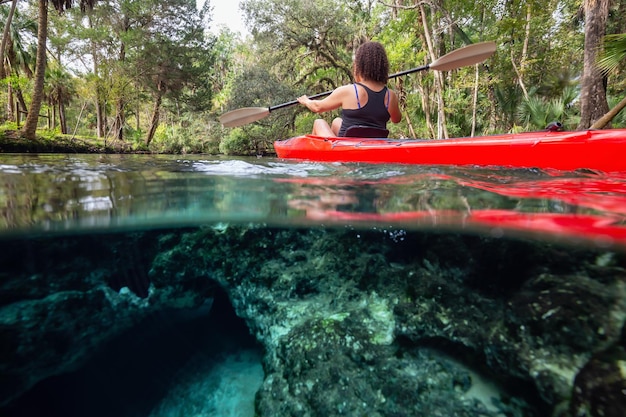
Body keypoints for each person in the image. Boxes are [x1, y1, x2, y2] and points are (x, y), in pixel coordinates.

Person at [297, 41, 402, 137]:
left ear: (360, 66)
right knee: (336, 121)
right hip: (373, 146)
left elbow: (317, 107)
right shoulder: (390, 96)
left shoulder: (349, 91)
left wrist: (306, 101)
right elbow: (396, 119)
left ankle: (324, 157)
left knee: (318, 123)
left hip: (346, 149)